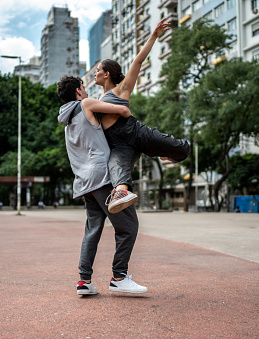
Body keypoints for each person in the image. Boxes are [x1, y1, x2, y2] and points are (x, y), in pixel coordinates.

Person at [57, 75, 147, 295]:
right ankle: (119, 276)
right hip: (102, 177)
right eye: (84, 88)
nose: (86, 92)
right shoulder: (86, 104)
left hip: (84, 182)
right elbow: (123, 112)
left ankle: (84, 281)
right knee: (128, 226)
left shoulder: (67, 121)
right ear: (78, 91)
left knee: (93, 229)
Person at [95, 19, 190, 214]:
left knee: (181, 149)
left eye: (97, 70)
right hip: (118, 144)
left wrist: (153, 36)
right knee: (117, 169)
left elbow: (137, 61)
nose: (95, 73)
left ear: (107, 74)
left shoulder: (120, 90)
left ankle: (169, 154)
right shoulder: (95, 100)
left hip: (136, 133)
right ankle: (120, 195)